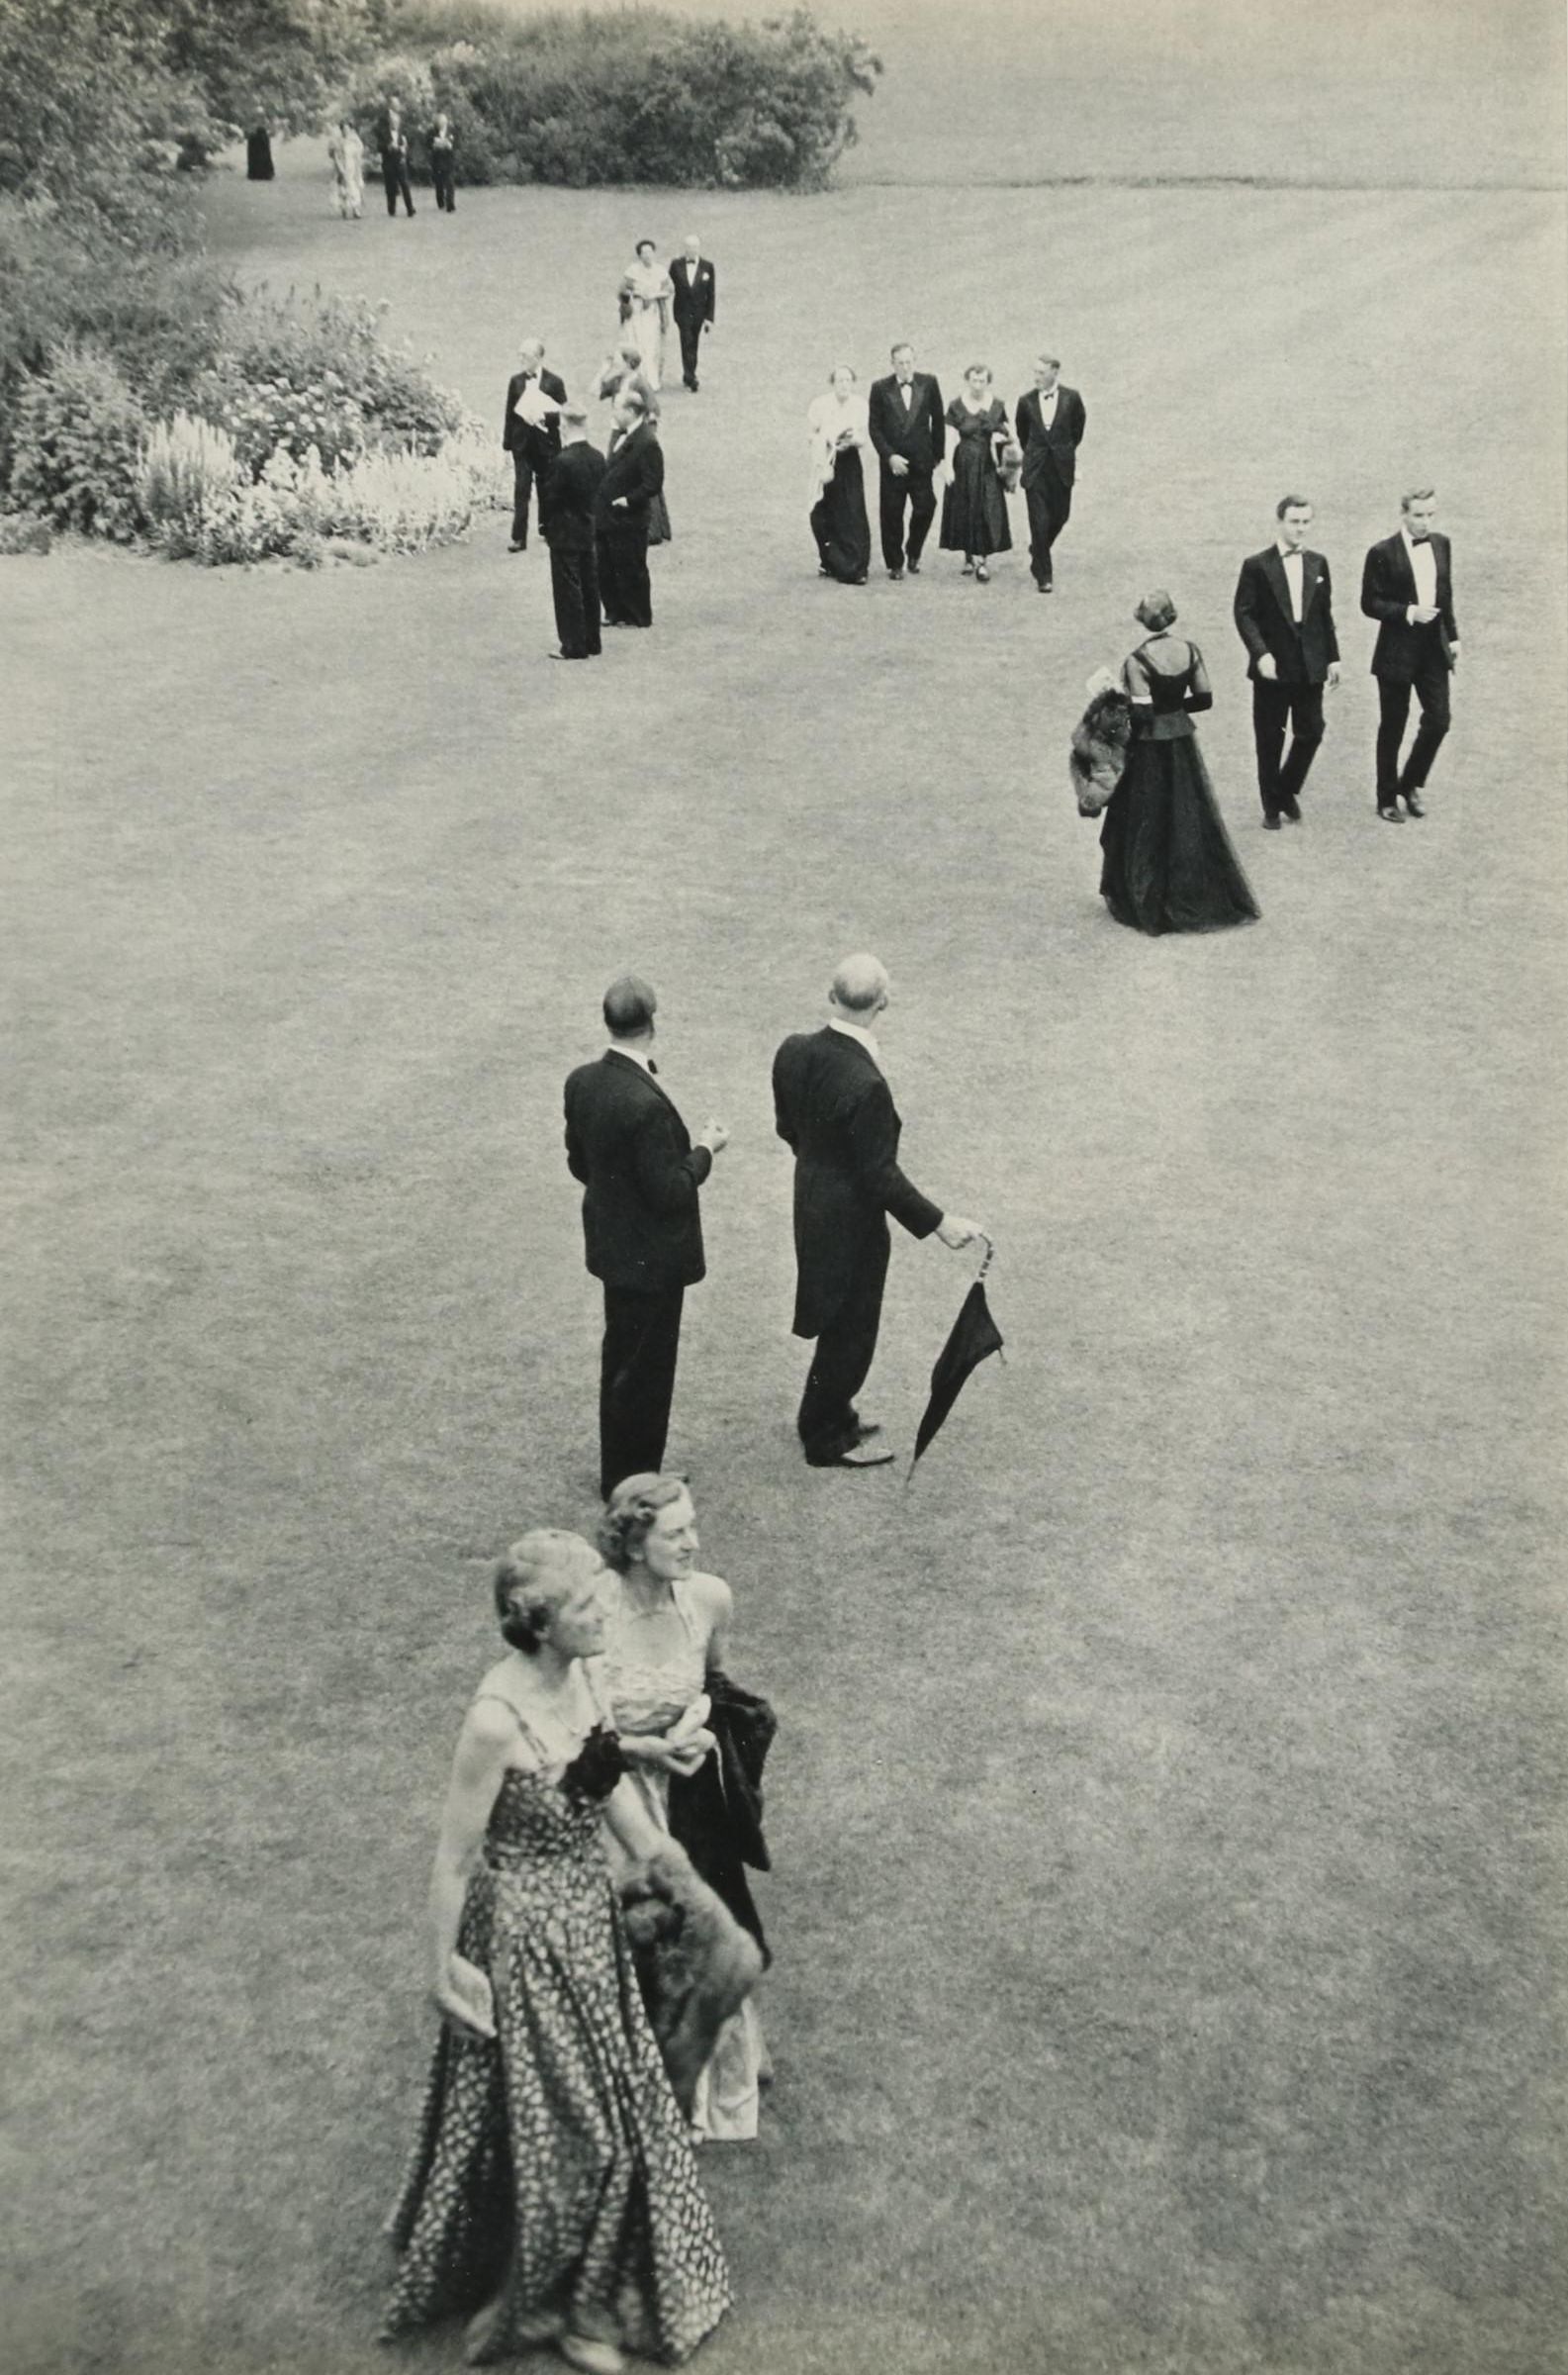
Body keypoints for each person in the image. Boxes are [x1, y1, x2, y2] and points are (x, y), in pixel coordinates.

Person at [382, 1529, 733, 2374]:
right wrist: (442, 1969)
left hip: (589, 1925)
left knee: (604, 2113)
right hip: (522, 1940)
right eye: (585, 1605)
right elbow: (454, 1859)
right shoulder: (493, 1723)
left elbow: (615, 1802)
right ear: (537, 1623)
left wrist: (693, 1898)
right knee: (582, 2133)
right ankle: (560, 2311)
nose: (604, 1612)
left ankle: (571, 2294)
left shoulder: (584, 1675)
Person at [597, 1475, 770, 2142]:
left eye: (693, 1526)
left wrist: (698, 1728)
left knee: (706, 1928)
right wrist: (639, 1748)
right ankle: (641, 2095)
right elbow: (574, 1727)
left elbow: (714, 1683)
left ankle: (714, 2096)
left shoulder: (709, 1598)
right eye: (675, 1534)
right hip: (612, 1798)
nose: (692, 1543)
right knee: (631, 1942)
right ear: (633, 1544)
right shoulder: (595, 1610)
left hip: (690, 1796)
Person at [773, 955, 983, 1470]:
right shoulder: (867, 1085)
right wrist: (940, 1224)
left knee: (839, 1321)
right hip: (851, 1221)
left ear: (832, 996)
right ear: (884, 1002)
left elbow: (788, 1127)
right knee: (852, 1329)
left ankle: (833, 1415)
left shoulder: (793, 1050)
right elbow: (879, 1175)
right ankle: (825, 1436)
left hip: (811, 1201)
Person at [564, 976, 728, 1498]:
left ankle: (623, 1474)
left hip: (612, 1248)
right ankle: (634, 1481)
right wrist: (706, 1149)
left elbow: (579, 1163)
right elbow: (671, 1190)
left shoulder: (582, 1081)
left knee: (622, 1362)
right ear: (651, 1023)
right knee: (647, 1375)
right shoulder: (645, 1105)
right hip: (652, 1261)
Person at [1097, 592, 1261, 936]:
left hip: (1148, 750)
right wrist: (1174, 710)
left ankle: (1145, 898)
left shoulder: (1137, 661)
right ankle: (1190, 892)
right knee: (1186, 815)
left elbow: (1142, 713)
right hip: (1182, 745)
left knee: (1145, 819)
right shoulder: (1190, 651)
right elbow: (1204, 698)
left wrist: (1117, 704)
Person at [1233, 496, 1341, 828]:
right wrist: (1261, 653)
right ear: (1280, 522)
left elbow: (1324, 615)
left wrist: (1334, 658)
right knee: (1270, 738)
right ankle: (1271, 807)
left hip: (1310, 665)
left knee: (1312, 730)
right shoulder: (1257, 565)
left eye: (1306, 522)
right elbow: (1244, 613)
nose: (1301, 529)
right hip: (1273, 668)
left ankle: (1284, 789)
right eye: (1295, 522)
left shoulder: (1318, 563)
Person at [1361, 487, 1459, 821]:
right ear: (1403, 514)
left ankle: (1410, 783)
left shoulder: (1442, 544)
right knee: (1393, 725)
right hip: (1396, 652)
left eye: (1430, 515)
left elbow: (1445, 594)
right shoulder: (1382, 552)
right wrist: (1408, 612)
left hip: (1433, 649)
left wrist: (1453, 637)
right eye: (1418, 515)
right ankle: (1386, 798)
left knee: (1439, 721)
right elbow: (1369, 603)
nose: (1425, 522)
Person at [867, 342, 945, 580]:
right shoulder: (880, 388)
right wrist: (889, 456)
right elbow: (874, 427)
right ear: (892, 364)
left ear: (915, 361)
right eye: (900, 363)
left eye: (909, 362)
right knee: (892, 513)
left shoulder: (929, 383)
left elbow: (938, 420)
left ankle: (913, 551)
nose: (905, 367)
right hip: (893, 463)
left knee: (926, 507)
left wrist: (937, 455)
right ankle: (895, 564)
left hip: (921, 461)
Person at [1014, 352, 1086, 593]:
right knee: (1039, 521)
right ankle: (1044, 575)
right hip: (1036, 470)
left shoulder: (1071, 398)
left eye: (1041, 373)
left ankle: (1037, 550)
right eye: (1035, 372)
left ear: (1055, 372)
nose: (1036, 377)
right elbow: (1023, 433)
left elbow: (1077, 430)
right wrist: (1035, 454)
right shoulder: (1025, 402)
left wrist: (1063, 451)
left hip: (1061, 468)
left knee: (1060, 516)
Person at [539, 410, 607, 661]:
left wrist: (545, 526)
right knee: (590, 585)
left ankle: (573, 643)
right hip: (588, 527)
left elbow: (550, 498)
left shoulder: (562, 462)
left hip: (564, 530)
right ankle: (592, 639)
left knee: (568, 587)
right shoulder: (597, 457)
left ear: (565, 427)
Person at [596, 388, 665, 630]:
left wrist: (629, 499)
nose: (614, 413)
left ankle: (638, 614)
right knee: (608, 565)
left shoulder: (647, 442)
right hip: (611, 516)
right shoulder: (623, 435)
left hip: (630, 517)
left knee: (631, 567)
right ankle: (615, 611)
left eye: (618, 408)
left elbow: (653, 483)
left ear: (631, 411)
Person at [940, 365, 1012, 580]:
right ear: (967, 381)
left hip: (987, 465)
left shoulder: (997, 405)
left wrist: (1003, 441)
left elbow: (1008, 434)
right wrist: (948, 467)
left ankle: (982, 562)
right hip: (963, 464)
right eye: (974, 381)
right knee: (965, 508)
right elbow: (950, 438)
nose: (978, 386)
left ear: (988, 382)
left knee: (985, 510)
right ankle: (968, 556)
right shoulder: (956, 406)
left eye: (982, 381)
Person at [805, 365, 872, 585]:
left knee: (852, 510)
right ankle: (829, 560)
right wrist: (826, 443)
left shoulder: (860, 404)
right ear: (833, 383)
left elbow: (862, 438)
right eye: (840, 380)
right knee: (821, 511)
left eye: (848, 380)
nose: (844, 385)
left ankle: (856, 566)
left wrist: (850, 441)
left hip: (849, 462)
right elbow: (810, 434)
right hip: (825, 461)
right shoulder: (820, 404)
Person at [502, 337, 567, 553]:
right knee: (521, 489)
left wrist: (544, 416)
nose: (521, 359)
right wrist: (508, 442)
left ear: (538, 357)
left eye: (526, 356)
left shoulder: (554, 382)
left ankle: (547, 527)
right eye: (520, 355)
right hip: (522, 444)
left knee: (546, 487)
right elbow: (510, 413)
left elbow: (563, 414)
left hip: (545, 444)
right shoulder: (516, 381)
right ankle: (518, 537)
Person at [617, 239, 675, 392]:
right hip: (636, 312)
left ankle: (651, 380)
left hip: (653, 312)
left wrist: (655, 294)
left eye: (650, 252)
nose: (647, 255)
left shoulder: (660, 271)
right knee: (636, 343)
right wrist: (637, 293)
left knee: (651, 345)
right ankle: (634, 379)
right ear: (639, 255)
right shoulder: (633, 270)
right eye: (644, 253)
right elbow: (622, 290)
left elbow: (670, 289)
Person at [669, 235, 715, 392]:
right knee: (686, 341)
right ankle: (691, 376)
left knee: (694, 343)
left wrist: (709, 318)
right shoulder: (676, 265)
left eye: (694, 247)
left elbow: (711, 293)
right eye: (689, 247)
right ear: (685, 248)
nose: (692, 250)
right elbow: (668, 284)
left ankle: (688, 373)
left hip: (699, 313)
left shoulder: (707, 266)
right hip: (682, 312)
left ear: (698, 248)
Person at [374, 98, 415, 217]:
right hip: (388, 162)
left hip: (400, 161)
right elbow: (379, 146)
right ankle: (391, 209)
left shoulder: (402, 134)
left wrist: (404, 149)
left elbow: (408, 144)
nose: (395, 124)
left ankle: (410, 208)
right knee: (390, 186)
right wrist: (388, 147)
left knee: (405, 185)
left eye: (397, 123)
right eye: (393, 122)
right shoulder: (384, 133)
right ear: (390, 123)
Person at [326, 119, 364, 218]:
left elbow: (359, 153)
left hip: (353, 166)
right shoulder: (338, 141)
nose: (346, 131)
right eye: (344, 129)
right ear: (341, 129)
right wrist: (340, 169)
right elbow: (335, 156)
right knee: (343, 188)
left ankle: (356, 210)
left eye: (348, 129)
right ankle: (344, 208)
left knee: (354, 187)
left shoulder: (355, 140)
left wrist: (358, 166)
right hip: (342, 166)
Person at [427, 112, 456, 212]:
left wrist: (450, 145)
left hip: (449, 160)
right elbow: (428, 144)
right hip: (437, 161)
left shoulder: (452, 131)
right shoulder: (432, 132)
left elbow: (457, 143)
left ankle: (450, 204)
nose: (442, 125)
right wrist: (435, 145)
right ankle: (440, 202)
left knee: (450, 182)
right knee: (439, 183)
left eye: (443, 123)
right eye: (439, 123)